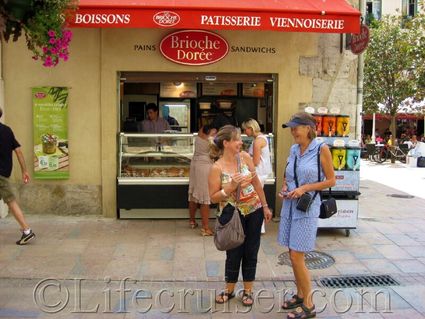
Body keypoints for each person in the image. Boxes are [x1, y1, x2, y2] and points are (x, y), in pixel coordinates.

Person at [278, 112, 335, 319]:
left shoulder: (322, 149)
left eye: (296, 127)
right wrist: (285, 186)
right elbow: (288, 174)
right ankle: (301, 295)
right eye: (291, 127)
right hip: (290, 206)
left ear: (309, 128)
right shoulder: (294, 149)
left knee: (296, 256)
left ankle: (309, 305)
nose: (293, 131)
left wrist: (305, 188)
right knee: (293, 255)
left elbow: (331, 180)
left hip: (307, 207)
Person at [208, 125, 272, 306]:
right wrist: (230, 187)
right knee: (234, 252)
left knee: (251, 251)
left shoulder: (244, 157)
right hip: (232, 214)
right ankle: (229, 290)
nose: (240, 142)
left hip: (254, 210)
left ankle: (248, 290)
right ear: (226, 143)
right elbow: (213, 197)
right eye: (236, 139)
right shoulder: (216, 168)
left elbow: (257, 183)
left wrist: (265, 206)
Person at [0, 107, 36, 245]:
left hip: (0, 175)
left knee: (11, 201)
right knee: (10, 201)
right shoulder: (7, 130)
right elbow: (18, 151)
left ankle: (27, 231)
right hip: (5, 172)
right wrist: (24, 171)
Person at [242, 118, 272, 234]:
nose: (245, 132)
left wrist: (244, 160)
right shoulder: (262, 138)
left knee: (256, 199)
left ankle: (259, 227)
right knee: (258, 198)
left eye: (245, 129)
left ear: (251, 128)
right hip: (262, 173)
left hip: (258, 173)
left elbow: (255, 162)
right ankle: (260, 227)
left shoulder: (257, 141)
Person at [188, 125, 214, 236]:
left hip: (194, 164)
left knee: (193, 195)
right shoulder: (211, 139)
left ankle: (192, 221)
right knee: (205, 197)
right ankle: (205, 228)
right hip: (204, 167)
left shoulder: (200, 132)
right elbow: (215, 153)